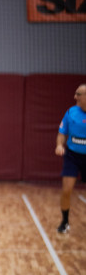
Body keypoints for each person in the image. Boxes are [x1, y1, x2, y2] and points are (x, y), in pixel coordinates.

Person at [55, 83, 86, 234]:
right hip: (72, 156)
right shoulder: (71, 112)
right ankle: (65, 221)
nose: (75, 97)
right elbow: (62, 133)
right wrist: (59, 145)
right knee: (66, 190)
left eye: (78, 94)